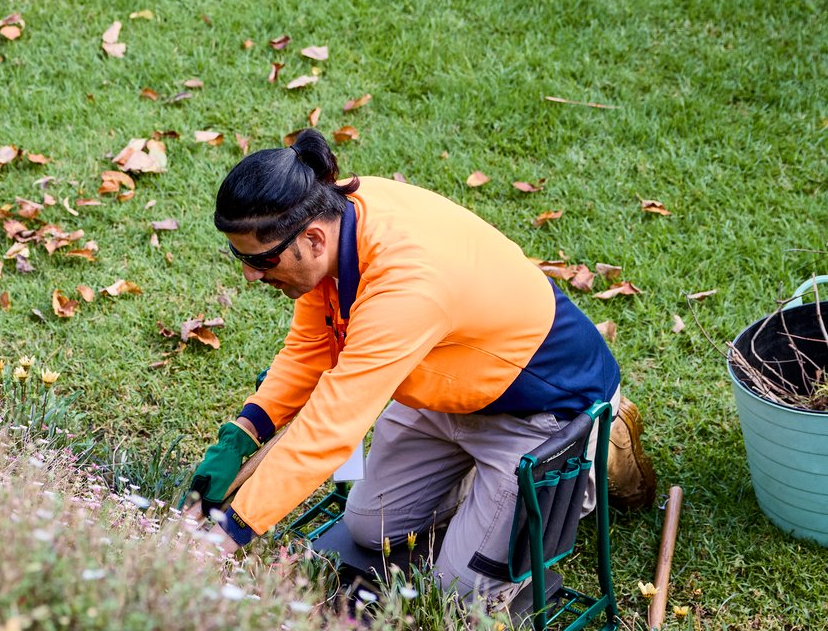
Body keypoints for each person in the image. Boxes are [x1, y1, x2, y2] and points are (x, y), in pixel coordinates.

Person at [190, 131, 655, 599]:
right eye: (240, 256)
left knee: (455, 594)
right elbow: (311, 347)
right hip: (447, 385)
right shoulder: (331, 212)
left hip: (544, 410)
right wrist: (244, 432)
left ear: (311, 239)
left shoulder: (406, 284)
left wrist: (231, 530)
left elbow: (331, 427)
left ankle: (601, 446)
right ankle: (484, 486)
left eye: (260, 260)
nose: (250, 275)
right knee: (370, 528)